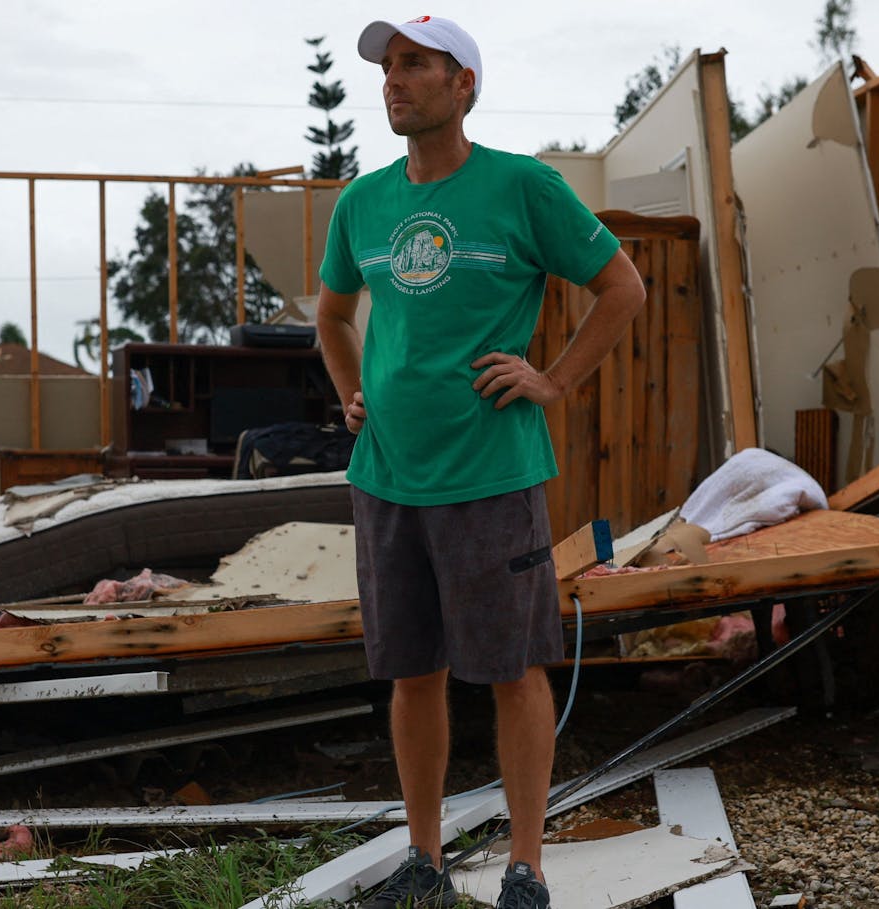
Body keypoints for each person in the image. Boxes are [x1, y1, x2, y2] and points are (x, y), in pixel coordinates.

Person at [315, 14, 646, 909]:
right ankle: (425, 862)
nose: (394, 79)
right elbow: (334, 313)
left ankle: (525, 870)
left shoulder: (522, 188)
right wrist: (352, 389)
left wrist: (555, 380)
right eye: (388, 66)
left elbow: (622, 287)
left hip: (491, 476)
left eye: (416, 65)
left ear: (464, 84)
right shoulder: (362, 202)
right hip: (386, 476)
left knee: (511, 670)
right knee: (411, 674)